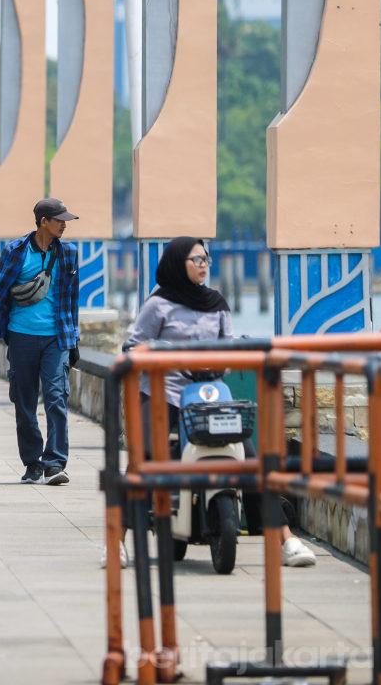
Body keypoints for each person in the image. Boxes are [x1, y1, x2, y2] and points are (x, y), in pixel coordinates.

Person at [118, 237, 316, 569]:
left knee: (250, 461)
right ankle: (116, 541)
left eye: (206, 259)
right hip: (164, 391)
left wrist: (228, 360)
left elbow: (228, 346)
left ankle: (286, 539)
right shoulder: (159, 304)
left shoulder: (217, 303)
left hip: (209, 391)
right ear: (177, 263)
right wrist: (152, 358)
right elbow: (134, 345)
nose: (203, 265)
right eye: (196, 259)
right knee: (143, 458)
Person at [0, 198, 80, 486]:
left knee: (56, 397)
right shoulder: (16, 251)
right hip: (21, 337)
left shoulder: (69, 253)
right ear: (43, 222)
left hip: (56, 338)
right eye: (59, 220)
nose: (64, 225)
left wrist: (74, 341)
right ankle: (33, 462)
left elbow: (72, 299)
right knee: (24, 402)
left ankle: (55, 463)